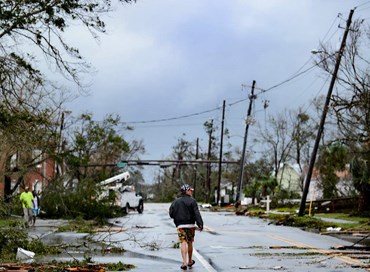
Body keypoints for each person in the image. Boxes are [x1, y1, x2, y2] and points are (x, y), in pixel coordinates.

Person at [169, 184, 204, 270]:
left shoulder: (176, 202)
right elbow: (196, 214)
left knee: (183, 242)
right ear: (187, 191)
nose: (191, 192)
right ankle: (189, 261)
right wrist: (200, 224)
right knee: (190, 242)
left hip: (180, 225)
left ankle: (184, 262)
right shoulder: (193, 201)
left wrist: (177, 218)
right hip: (190, 225)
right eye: (190, 190)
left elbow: (171, 213)